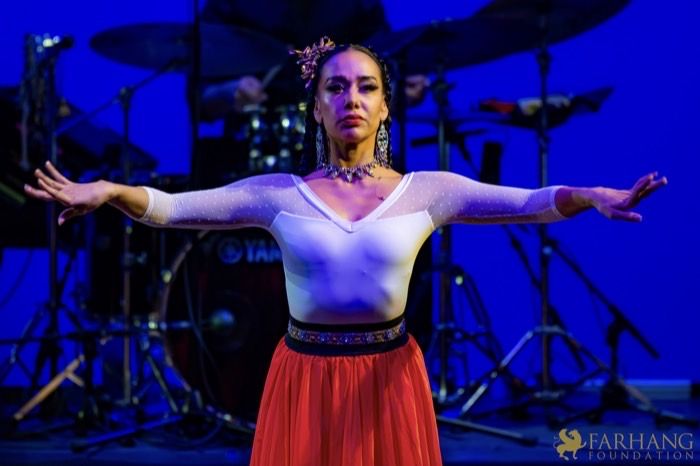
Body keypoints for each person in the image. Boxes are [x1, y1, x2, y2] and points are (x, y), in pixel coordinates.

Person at [24, 37, 666, 466]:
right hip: (304, 379)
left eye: (365, 88)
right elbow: (172, 208)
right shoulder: (278, 193)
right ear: (315, 109)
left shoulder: (427, 191)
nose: (350, 99)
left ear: (385, 108)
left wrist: (591, 195)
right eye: (335, 88)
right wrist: (110, 190)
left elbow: (528, 201)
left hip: (391, 380)